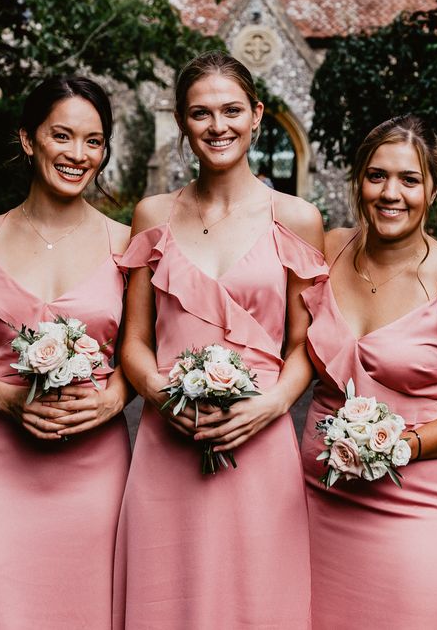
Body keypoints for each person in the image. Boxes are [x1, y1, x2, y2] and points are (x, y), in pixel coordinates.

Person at [114, 50, 325, 628]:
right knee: (168, 600)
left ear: (257, 114)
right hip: (168, 441)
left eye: (232, 110)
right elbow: (134, 342)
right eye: (201, 113)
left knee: (256, 602)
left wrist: (272, 405)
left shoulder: (298, 218)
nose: (218, 126)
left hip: (260, 441)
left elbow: (304, 346)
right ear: (183, 123)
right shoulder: (152, 215)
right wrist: (162, 397)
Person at [0, 76, 132, 629]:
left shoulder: (127, 243)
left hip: (94, 471)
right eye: (61, 136)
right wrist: (6, 398)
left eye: (93, 141)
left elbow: (145, 349)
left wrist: (114, 400)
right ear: (28, 138)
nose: (77, 154)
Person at [300, 115, 437, 629]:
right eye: (376, 176)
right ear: (358, 181)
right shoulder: (324, 253)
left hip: (413, 504)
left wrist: (404, 444)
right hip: (313, 500)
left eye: (409, 179)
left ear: (434, 190)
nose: (390, 193)